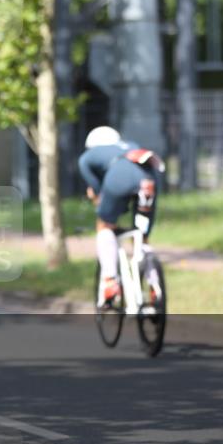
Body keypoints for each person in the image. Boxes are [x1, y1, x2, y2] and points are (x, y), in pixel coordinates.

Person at [77, 126, 165, 308]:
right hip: (149, 179)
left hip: (120, 177)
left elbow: (95, 185)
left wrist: (98, 197)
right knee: (142, 236)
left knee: (105, 225)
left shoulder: (89, 156)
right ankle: (155, 286)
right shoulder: (129, 145)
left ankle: (109, 281)